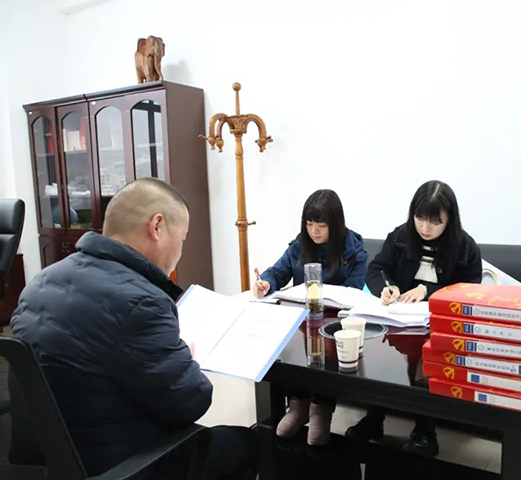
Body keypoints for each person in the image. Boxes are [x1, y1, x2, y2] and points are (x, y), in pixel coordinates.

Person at [11, 178, 258, 479]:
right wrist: (189, 361)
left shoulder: (41, 281)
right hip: (118, 464)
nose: (180, 251)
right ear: (157, 227)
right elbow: (191, 402)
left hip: (46, 462)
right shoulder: (141, 301)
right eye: (182, 239)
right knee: (246, 443)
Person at [345, 180, 483, 457]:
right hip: (400, 321)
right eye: (420, 218)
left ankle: (425, 430)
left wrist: (427, 291)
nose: (425, 228)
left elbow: (470, 290)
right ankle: (374, 418)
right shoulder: (400, 236)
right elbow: (377, 268)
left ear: (449, 219)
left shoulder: (465, 247)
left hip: (441, 326)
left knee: (427, 361)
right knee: (379, 357)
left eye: (435, 221)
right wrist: (387, 288)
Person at [253, 189, 368, 446]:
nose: (314, 231)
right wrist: (266, 283)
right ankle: (297, 406)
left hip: (333, 322)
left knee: (326, 356)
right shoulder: (299, 246)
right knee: (294, 352)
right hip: (303, 320)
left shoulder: (353, 250)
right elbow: (278, 271)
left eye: (321, 225)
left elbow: (355, 290)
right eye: (309, 223)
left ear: (335, 224)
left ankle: (321, 411)